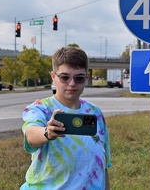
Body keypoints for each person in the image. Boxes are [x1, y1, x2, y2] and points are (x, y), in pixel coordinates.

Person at [21, 46, 112, 189]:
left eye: (79, 78)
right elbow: (31, 136)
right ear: (53, 77)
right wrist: (47, 132)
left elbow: (103, 163)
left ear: (86, 78)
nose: (72, 84)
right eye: (64, 77)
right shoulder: (41, 108)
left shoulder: (95, 113)